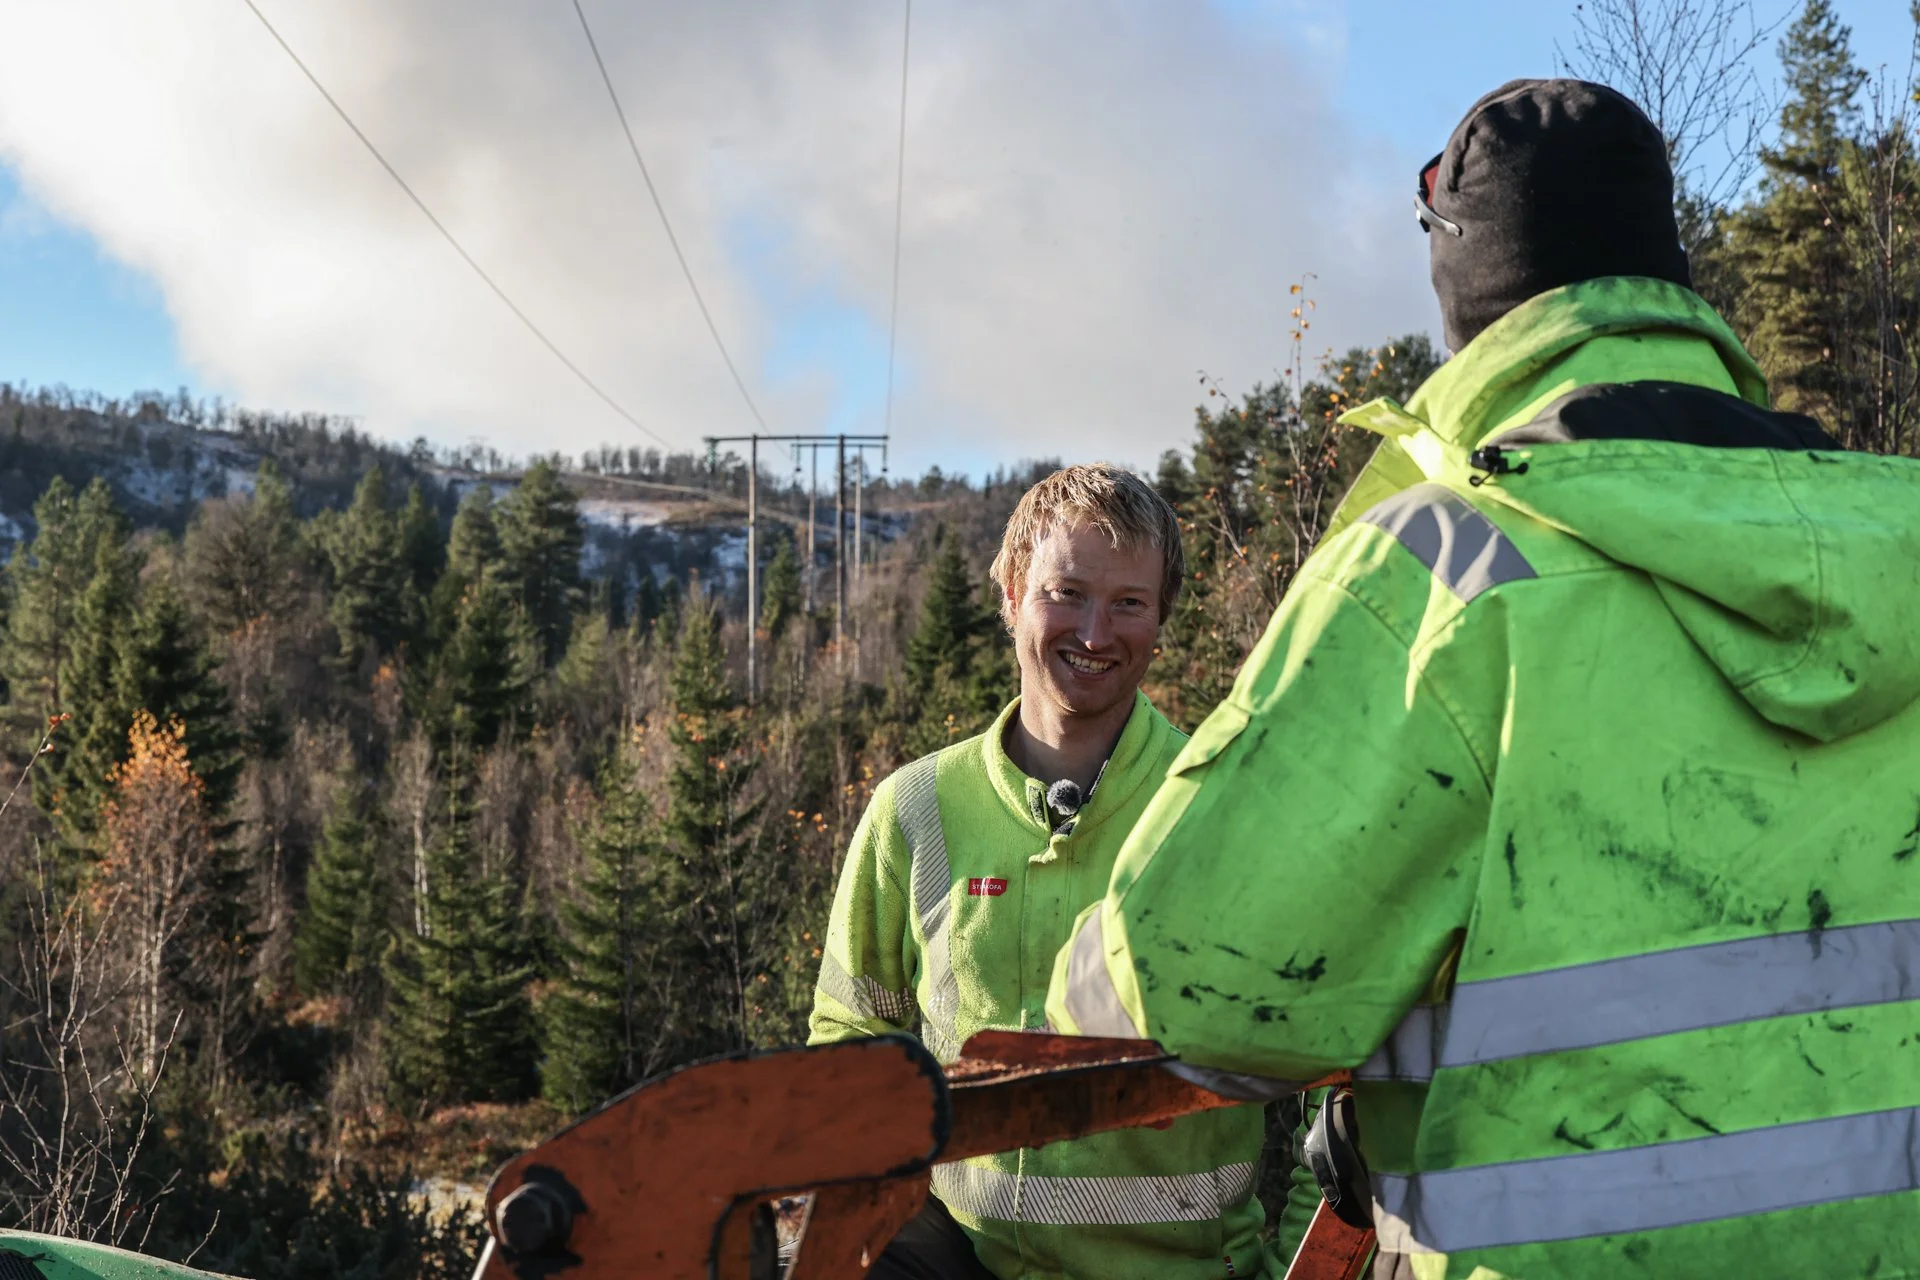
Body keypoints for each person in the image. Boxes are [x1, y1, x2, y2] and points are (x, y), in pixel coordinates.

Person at [1047, 79, 1920, 1278]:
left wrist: (1077, 986)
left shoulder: (1451, 568)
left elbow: (1195, 983)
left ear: (1468, 292)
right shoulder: (1905, 547)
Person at [809, 463, 1276, 1280]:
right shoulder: (915, 809)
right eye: (1066, 593)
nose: (1095, 633)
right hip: (957, 1259)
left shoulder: (1224, 808)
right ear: (1011, 594)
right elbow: (853, 1043)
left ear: (1160, 620)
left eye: (1128, 603)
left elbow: (1331, 1069)